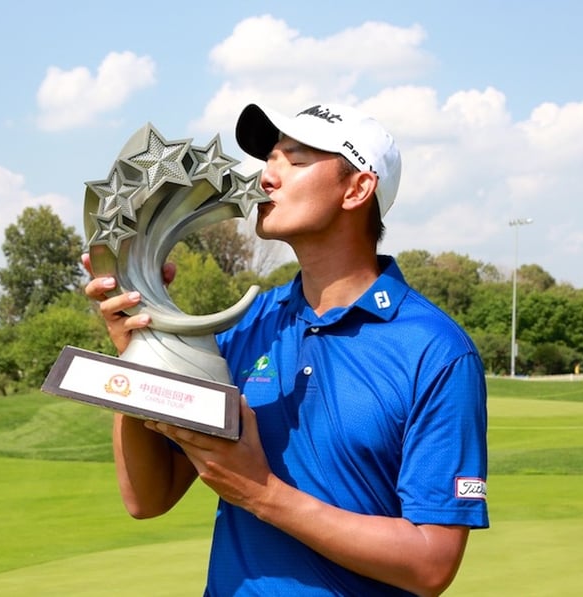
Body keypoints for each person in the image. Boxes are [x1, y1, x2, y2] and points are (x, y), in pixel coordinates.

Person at [84, 102, 488, 596]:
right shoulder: (246, 325)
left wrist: (263, 494)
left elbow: (431, 565)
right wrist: (143, 348)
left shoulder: (435, 350)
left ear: (358, 188)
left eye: (294, 162)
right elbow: (148, 496)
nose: (267, 178)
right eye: (269, 159)